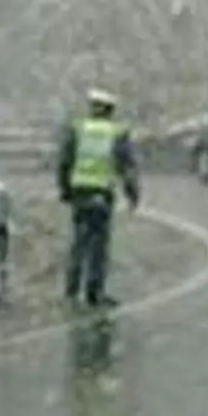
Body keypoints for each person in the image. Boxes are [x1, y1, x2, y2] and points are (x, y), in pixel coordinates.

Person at [56, 88, 140, 307]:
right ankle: (94, 291)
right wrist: (133, 194)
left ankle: (71, 289)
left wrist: (64, 189)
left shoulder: (78, 128)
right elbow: (127, 167)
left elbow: (65, 161)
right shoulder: (117, 133)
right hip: (102, 193)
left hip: (79, 191)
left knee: (79, 241)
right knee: (99, 245)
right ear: (111, 110)